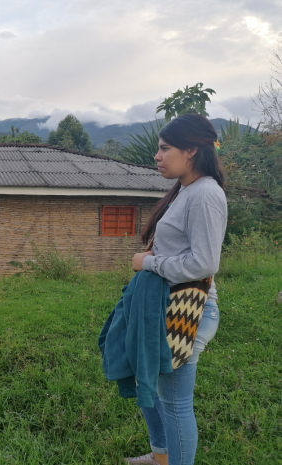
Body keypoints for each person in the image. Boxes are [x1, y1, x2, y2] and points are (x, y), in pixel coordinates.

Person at [126, 114, 227, 465]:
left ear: (191, 150)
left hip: (189, 311)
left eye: (164, 148)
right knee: (148, 388)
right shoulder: (187, 190)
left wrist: (148, 263)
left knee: (175, 403)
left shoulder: (204, 195)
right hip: (164, 305)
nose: (157, 155)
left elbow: (204, 264)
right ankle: (161, 457)